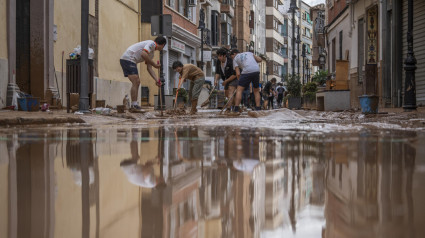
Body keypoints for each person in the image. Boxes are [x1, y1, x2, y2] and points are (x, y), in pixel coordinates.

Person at [120, 36, 166, 112]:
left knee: (137, 82)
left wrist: (156, 80)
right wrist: (154, 64)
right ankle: (134, 105)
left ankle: (134, 104)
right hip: (128, 59)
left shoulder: (151, 54)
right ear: (163, 44)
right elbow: (143, 54)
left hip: (131, 61)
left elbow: (149, 68)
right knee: (136, 81)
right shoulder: (151, 44)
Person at [229, 49, 263, 116]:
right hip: (256, 70)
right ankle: (258, 108)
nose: (232, 58)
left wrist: (240, 82)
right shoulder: (249, 53)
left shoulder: (235, 59)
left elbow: (238, 74)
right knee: (256, 90)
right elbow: (260, 60)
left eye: (232, 56)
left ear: (234, 54)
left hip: (246, 71)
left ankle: (236, 109)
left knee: (239, 90)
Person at [214, 48, 238, 113]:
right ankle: (237, 106)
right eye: (218, 56)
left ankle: (228, 109)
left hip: (233, 79)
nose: (219, 58)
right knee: (227, 94)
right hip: (226, 79)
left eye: (220, 56)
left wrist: (226, 81)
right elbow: (217, 72)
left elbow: (235, 74)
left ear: (224, 56)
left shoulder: (231, 62)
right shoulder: (218, 62)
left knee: (230, 92)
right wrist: (216, 80)